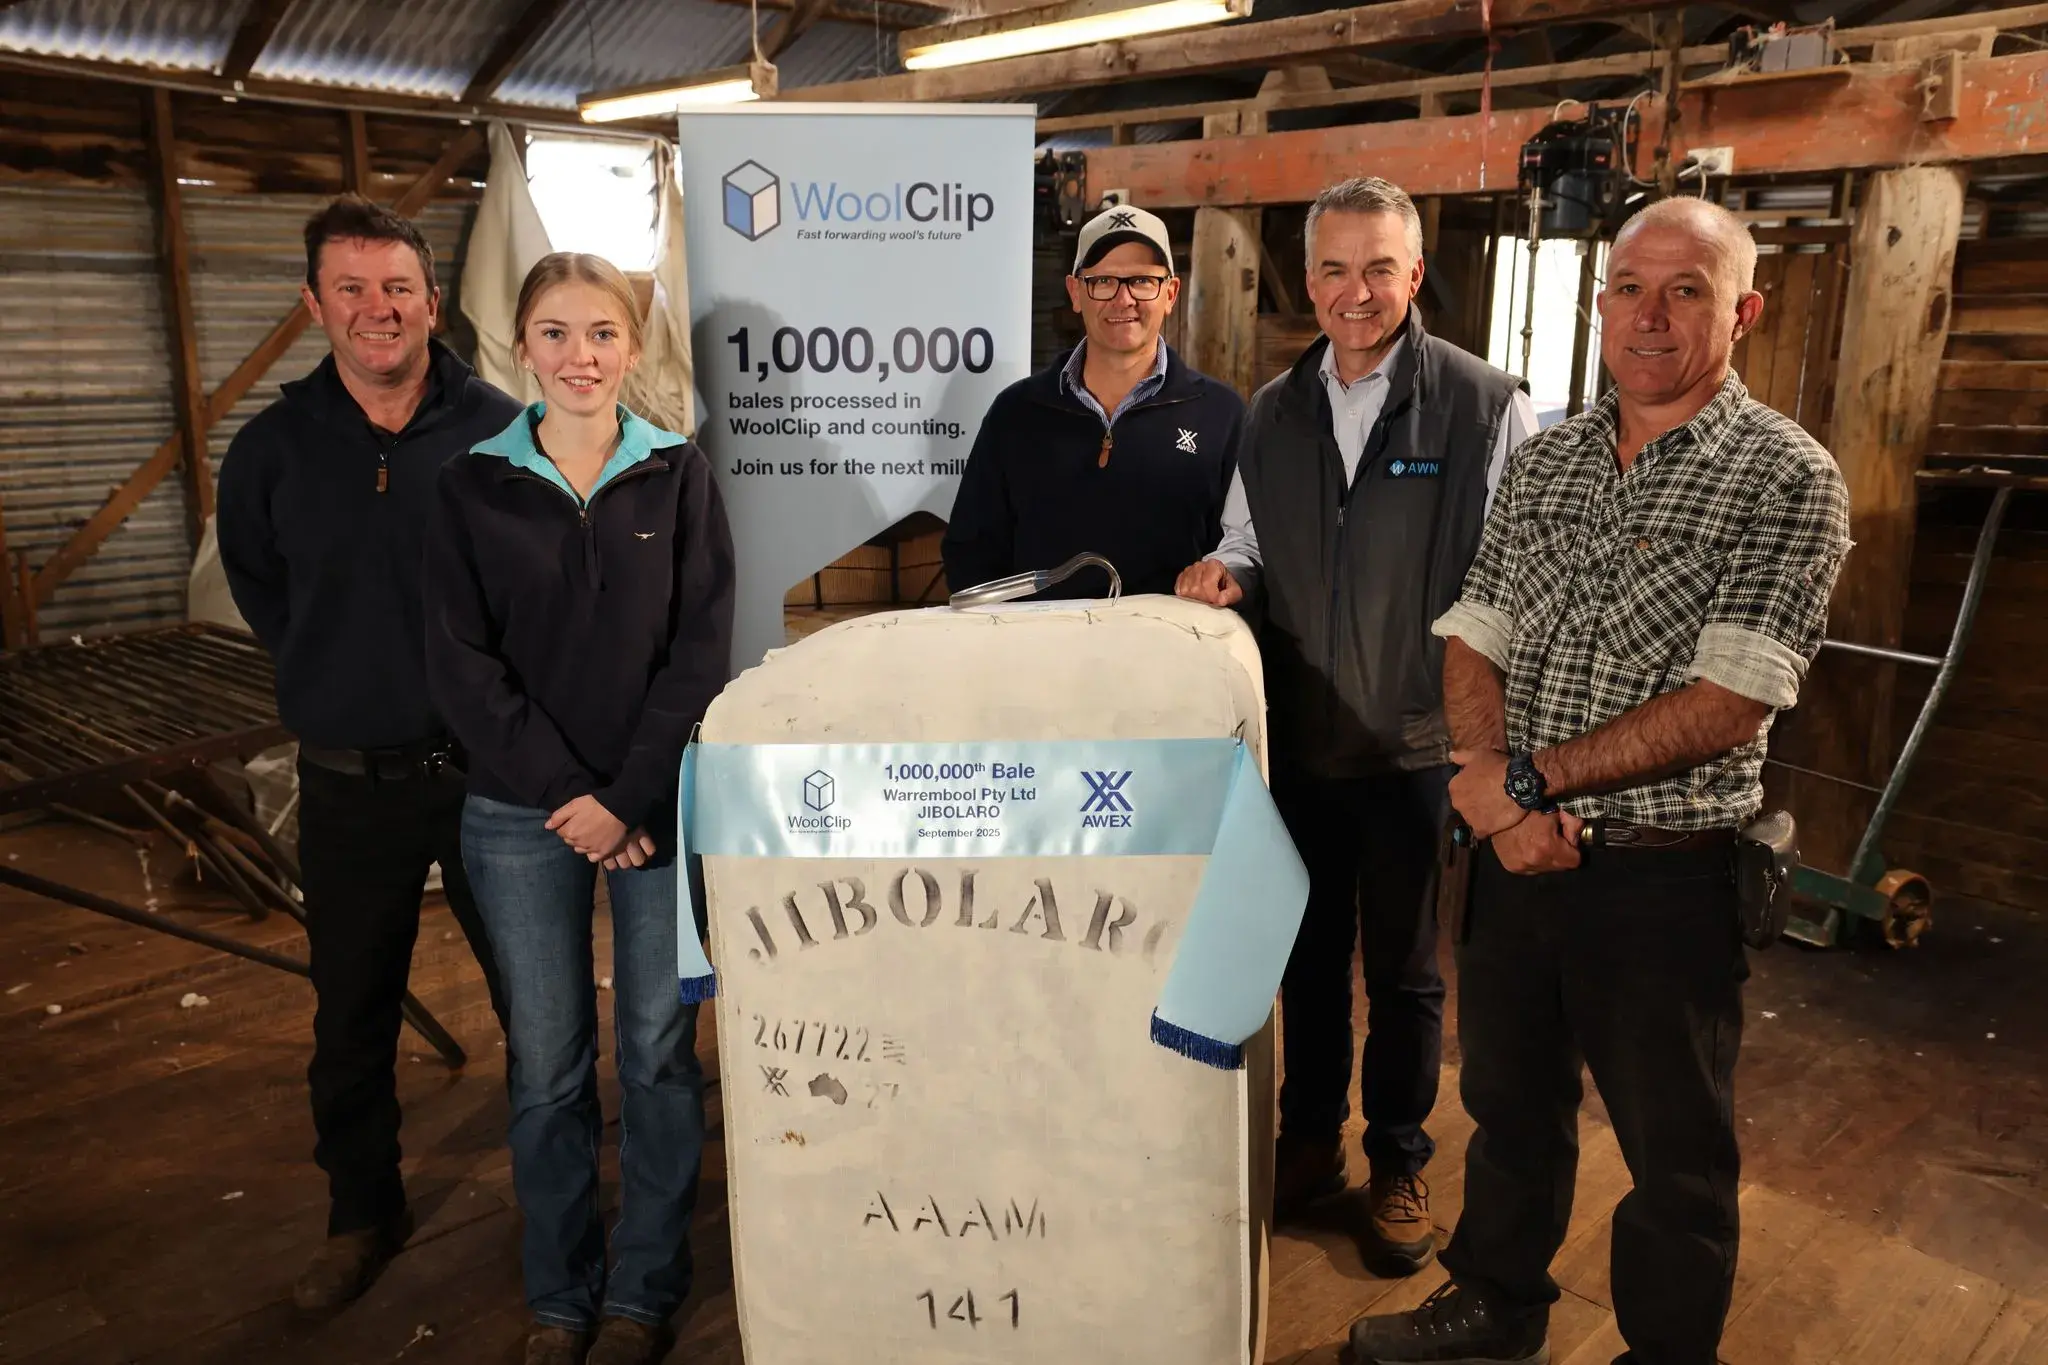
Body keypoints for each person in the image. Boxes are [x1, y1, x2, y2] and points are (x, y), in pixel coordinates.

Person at [1348, 197, 1851, 1365]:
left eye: (1685, 291)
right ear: (1598, 303)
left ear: (1742, 312)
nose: (1650, 315)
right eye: (1629, 288)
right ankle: (1495, 1306)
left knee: (1674, 1152)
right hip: (1513, 861)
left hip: (1662, 878)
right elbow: (1474, 628)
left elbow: (1733, 696)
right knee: (1509, 1110)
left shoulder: (1783, 476)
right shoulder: (1550, 459)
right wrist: (1487, 783)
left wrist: (1522, 781)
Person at [1177, 176, 1534, 1276]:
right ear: (1308, 279)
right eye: (1333, 269)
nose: (1355, 291)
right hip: (1300, 736)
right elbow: (1247, 540)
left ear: (1414, 273)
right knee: (1307, 954)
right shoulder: (1272, 411)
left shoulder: (1482, 406)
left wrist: (1490, 742)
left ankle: (1397, 1159)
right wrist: (1224, 574)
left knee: (1407, 970)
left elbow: (1513, 576)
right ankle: (1310, 1141)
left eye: (1379, 267)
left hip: (1416, 744)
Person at [425, 252, 736, 1365]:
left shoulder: (677, 473)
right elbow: (463, 666)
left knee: (656, 1052)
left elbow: (699, 649)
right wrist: (572, 797)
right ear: (521, 346)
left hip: (651, 805)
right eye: (554, 333)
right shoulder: (471, 483)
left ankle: (643, 1288)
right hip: (523, 817)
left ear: (632, 346)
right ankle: (560, 1294)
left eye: (601, 333)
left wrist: (629, 795)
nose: (580, 356)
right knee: (549, 1061)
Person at [217, 194, 516, 1312]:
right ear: (314, 304)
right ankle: (361, 1213)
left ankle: (560, 1193)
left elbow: (535, 590)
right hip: (348, 782)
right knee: (349, 1014)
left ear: (432, 301)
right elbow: (265, 592)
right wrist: (344, 677)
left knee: (536, 1004)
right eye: (350, 287)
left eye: (396, 287)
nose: (375, 308)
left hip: (490, 779)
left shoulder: (500, 432)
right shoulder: (270, 451)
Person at [942, 203, 1245, 599]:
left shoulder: (1222, 415)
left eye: (1142, 281)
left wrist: (1222, 579)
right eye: (1103, 281)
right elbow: (970, 556)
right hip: (1040, 638)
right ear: (1075, 292)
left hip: (1169, 638)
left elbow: (1243, 553)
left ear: (1170, 293)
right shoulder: (1015, 414)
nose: (1123, 299)